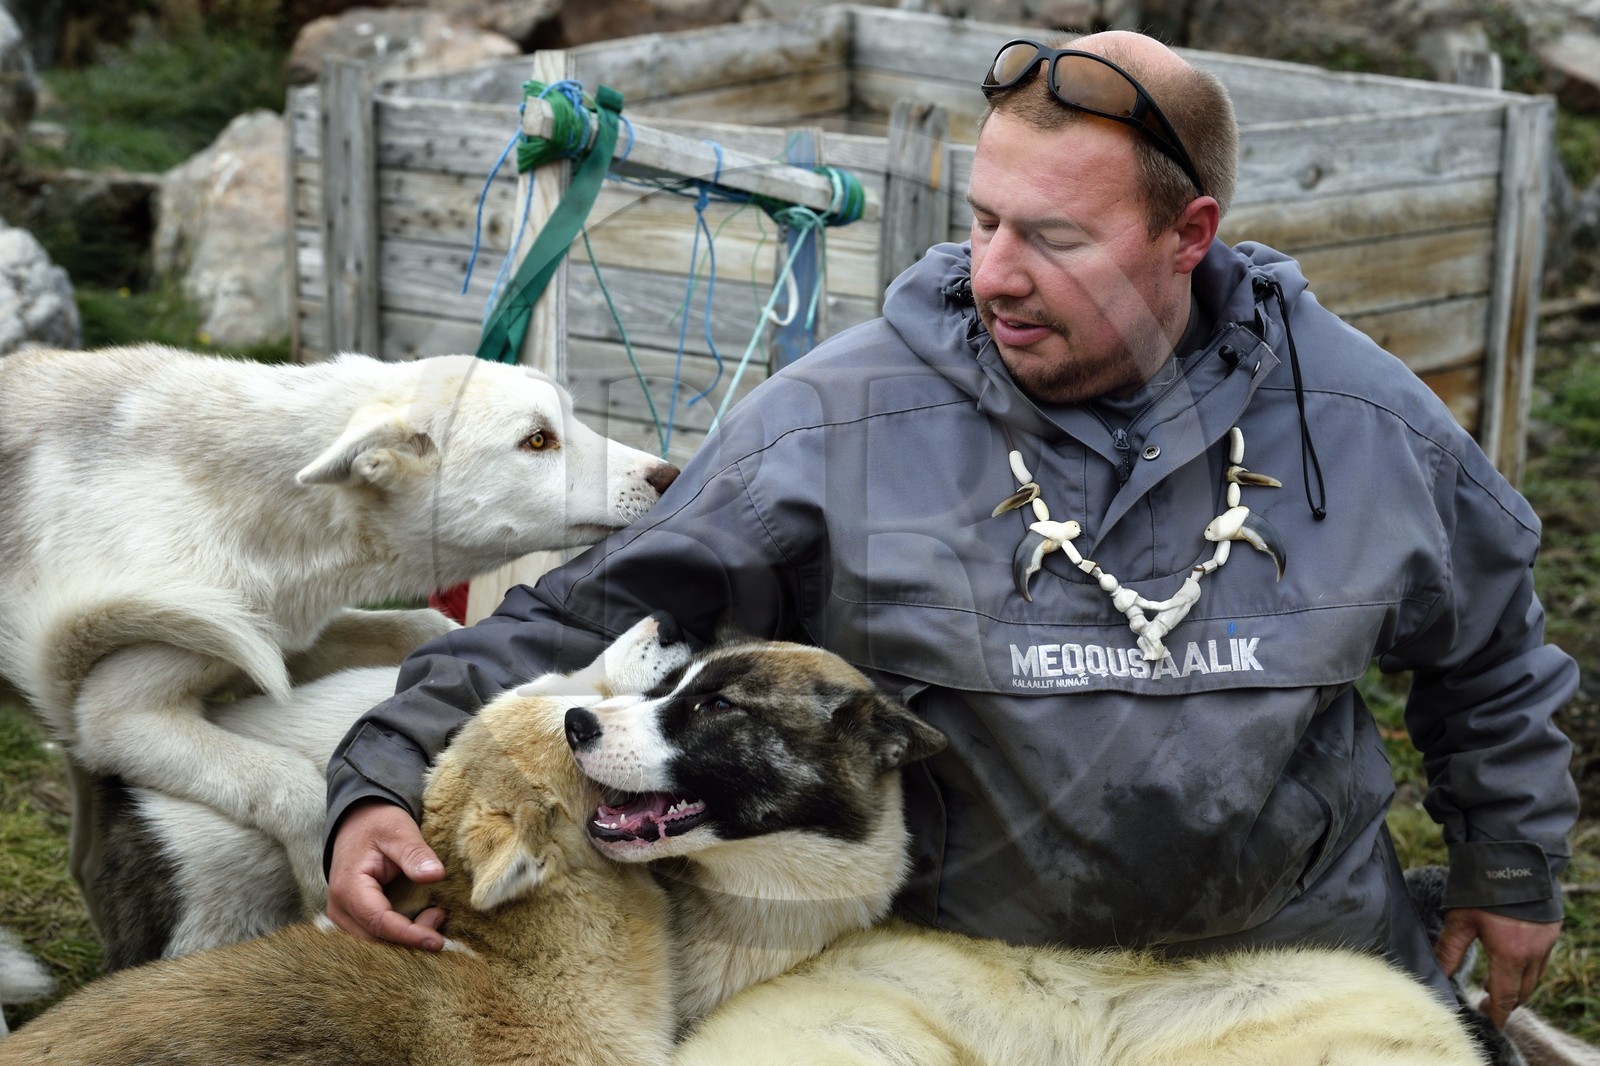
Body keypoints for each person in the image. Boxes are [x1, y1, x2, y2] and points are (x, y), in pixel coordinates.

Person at [324, 29, 1578, 1028]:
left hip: (1286, 963)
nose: (992, 271)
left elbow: (1491, 655)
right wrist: (379, 777)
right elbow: (581, 611)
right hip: (943, 977)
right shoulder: (834, 419)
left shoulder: (1362, 422)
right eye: (984, 220)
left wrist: (1508, 867)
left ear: (1187, 236)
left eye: (1053, 237)